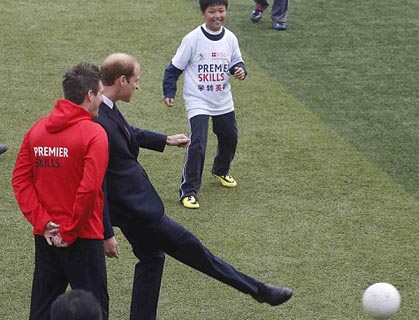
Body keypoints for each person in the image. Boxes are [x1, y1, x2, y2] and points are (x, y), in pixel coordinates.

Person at [97, 52, 292, 320]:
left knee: (153, 258)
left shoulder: (106, 108)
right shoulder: (100, 120)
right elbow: (98, 181)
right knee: (198, 253)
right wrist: (106, 232)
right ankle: (258, 290)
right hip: (139, 211)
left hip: (134, 208)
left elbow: (129, 132)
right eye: (136, 80)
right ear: (122, 80)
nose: (138, 85)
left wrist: (165, 140)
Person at [11, 64, 109, 320]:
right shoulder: (94, 134)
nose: (101, 99)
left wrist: (43, 224)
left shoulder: (37, 130)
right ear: (89, 95)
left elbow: (20, 180)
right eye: (100, 94)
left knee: (42, 310)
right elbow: (88, 190)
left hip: (46, 238)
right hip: (83, 236)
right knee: (94, 311)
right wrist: (69, 230)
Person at [163, 0, 246, 209]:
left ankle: (220, 170)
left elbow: (237, 62)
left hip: (222, 99)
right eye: (212, 11)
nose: (217, 15)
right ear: (203, 13)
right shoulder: (192, 39)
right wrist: (169, 92)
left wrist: (240, 70)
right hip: (197, 100)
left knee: (230, 137)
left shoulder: (230, 38)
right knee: (198, 144)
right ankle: (188, 191)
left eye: (221, 11)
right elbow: (173, 69)